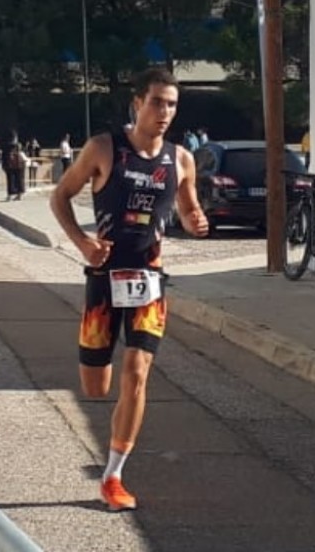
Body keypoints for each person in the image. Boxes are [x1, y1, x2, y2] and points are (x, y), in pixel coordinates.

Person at [49, 68, 209, 512]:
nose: (165, 112)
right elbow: (60, 196)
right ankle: (111, 422)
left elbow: (189, 205)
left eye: (172, 104)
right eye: (157, 102)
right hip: (103, 278)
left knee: (136, 373)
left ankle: (113, 475)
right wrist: (82, 243)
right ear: (138, 103)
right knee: (96, 387)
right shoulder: (105, 148)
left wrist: (197, 222)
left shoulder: (180, 160)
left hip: (149, 279)